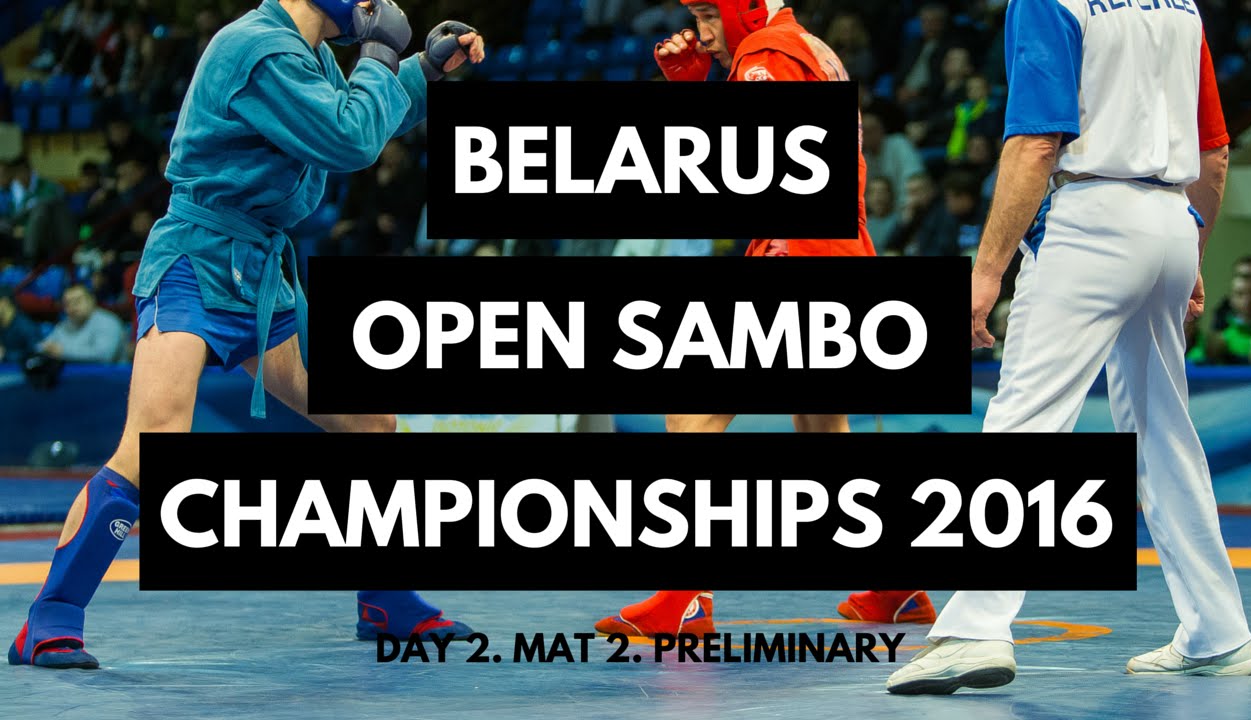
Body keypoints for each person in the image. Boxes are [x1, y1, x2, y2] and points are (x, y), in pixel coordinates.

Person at [9, 0, 486, 670]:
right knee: (154, 443)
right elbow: (350, 140)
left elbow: (357, 117)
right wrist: (383, 57)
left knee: (371, 424)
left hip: (261, 274)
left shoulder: (310, 57)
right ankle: (48, 620)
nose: (375, 2)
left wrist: (421, 72)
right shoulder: (257, 49)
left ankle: (387, 600)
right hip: (196, 261)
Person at [886, 0, 1251, 695]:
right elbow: (1215, 152)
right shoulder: (1182, 5)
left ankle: (976, 628)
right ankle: (1219, 631)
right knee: (1165, 436)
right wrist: (1190, 252)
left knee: (1023, 422)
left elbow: (1035, 143)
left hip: (1090, 218)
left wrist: (987, 271)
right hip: (1172, 219)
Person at [593, 0, 935, 640]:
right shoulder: (811, 48)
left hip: (795, 254)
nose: (702, 34)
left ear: (745, 9)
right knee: (823, 428)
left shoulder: (764, 51)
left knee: (689, 415)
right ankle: (897, 589)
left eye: (709, 16)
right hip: (838, 252)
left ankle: (683, 598)